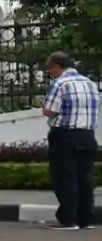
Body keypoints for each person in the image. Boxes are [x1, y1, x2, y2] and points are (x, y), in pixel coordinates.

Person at [41, 51, 99, 231]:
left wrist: (45, 109)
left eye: (50, 69)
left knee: (65, 177)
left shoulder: (59, 83)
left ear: (57, 66)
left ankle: (68, 219)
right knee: (85, 178)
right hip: (88, 135)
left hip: (64, 135)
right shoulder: (90, 83)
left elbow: (50, 110)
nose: (50, 73)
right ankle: (85, 219)